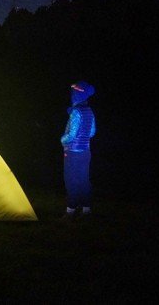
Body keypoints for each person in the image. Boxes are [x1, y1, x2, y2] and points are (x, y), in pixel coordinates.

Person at [60, 81, 96, 220]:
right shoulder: (89, 110)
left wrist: (62, 140)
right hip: (86, 152)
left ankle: (70, 211)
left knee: (71, 180)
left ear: (77, 94)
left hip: (72, 152)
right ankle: (86, 210)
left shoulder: (76, 111)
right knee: (84, 180)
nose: (72, 94)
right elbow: (92, 132)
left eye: (74, 92)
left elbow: (71, 135)